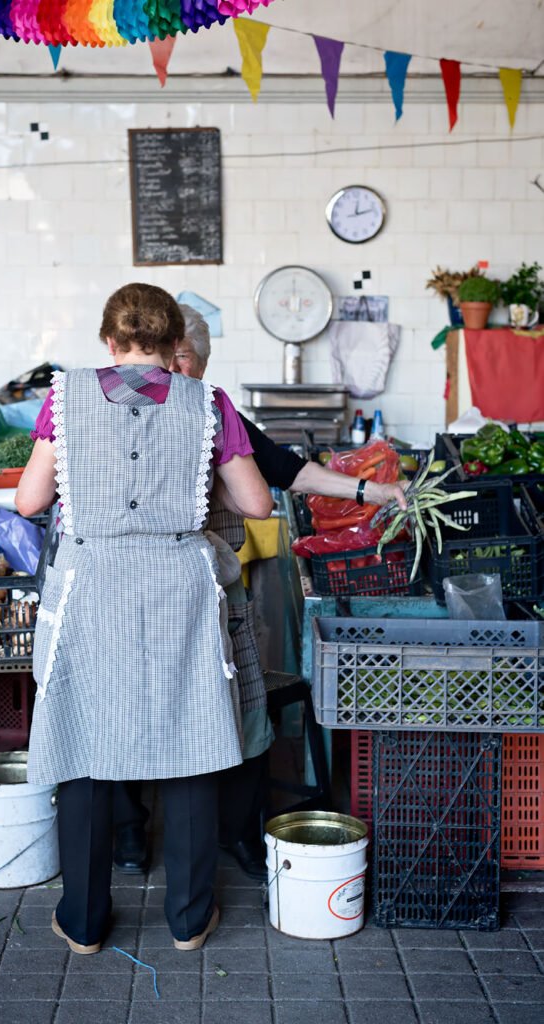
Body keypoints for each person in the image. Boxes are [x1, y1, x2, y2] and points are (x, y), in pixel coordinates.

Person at [16, 283, 273, 954]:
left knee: (85, 741)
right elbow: (256, 502)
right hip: (178, 585)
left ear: (110, 341)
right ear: (173, 345)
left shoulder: (63, 399)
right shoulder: (208, 402)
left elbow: (28, 499)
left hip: (92, 582)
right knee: (190, 736)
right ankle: (189, 921)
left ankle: (83, 922)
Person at [112, 304, 407, 880]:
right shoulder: (118, 415)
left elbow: (288, 470)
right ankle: (129, 833)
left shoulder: (215, 412)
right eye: (183, 360)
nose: (185, 372)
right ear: (168, 353)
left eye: (194, 364)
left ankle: (238, 834)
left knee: (242, 708)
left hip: (210, 599)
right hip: (133, 597)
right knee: (131, 707)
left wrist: (371, 490)